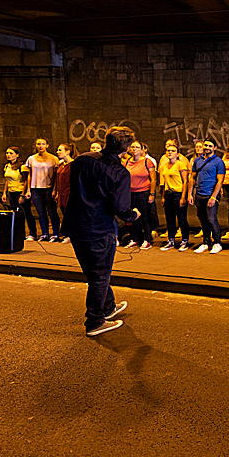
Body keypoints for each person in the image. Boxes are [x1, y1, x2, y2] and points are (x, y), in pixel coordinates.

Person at [65, 125, 141, 337]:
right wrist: (134, 215)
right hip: (98, 227)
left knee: (93, 271)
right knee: (99, 274)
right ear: (125, 150)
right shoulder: (119, 172)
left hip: (76, 222)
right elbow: (122, 207)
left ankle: (107, 307)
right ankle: (95, 321)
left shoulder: (83, 160)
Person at [188, 138, 226, 254]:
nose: (207, 148)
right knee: (203, 219)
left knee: (211, 219)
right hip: (199, 194)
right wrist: (190, 194)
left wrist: (214, 197)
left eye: (210, 146)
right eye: (206, 145)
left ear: (214, 148)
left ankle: (217, 243)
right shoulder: (197, 160)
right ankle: (205, 242)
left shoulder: (218, 162)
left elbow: (220, 181)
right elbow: (192, 178)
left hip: (211, 195)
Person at [25, 137, 61, 242]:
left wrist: (55, 189)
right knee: (41, 212)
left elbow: (56, 175)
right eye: (38, 144)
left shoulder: (53, 158)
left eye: (43, 144)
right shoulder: (31, 159)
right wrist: (28, 189)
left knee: (52, 211)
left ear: (47, 145)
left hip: (48, 188)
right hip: (36, 188)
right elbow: (29, 174)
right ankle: (44, 233)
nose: (40, 146)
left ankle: (55, 233)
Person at [158, 141, 191, 251]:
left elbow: (185, 181)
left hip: (178, 194)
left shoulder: (180, 164)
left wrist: (183, 197)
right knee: (169, 219)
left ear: (177, 154)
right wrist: (163, 196)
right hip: (168, 194)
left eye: (173, 151)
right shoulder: (164, 166)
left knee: (181, 219)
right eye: (168, 151)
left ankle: (184, 240)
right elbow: (165, 182)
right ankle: (171, 240)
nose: (170, 152)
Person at [123, 140, 156, 250]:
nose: (134, 149)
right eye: (132, 147)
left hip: (144, 193)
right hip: (131, 194)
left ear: (142, 150)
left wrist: (152, 194)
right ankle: (135, 238)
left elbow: (153, 179)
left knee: (145, 217)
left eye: (137, 147)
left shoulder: (147, 162)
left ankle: (147, 240)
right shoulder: (127, 162)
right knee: (134, 217)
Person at [1, 146, 37, 240]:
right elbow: (7, 180)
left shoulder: (22, 167)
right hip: (11, 192)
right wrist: (4, 193)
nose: (8, 155)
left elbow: (26, 180)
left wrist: (23, 194)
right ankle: (19, 232)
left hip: (20, 191)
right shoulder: (7, 166)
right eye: (7, 153)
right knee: (15, 213)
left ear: (17, 155)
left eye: (11, 153)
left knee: (26, 213)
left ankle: (32, 233)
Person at [54, 143, 77, 243]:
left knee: (70, 214)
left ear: (67, 152)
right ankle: (69, 234)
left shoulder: (73, 164)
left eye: (60, 150)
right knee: (64, 213)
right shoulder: (61, 164)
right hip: (62, 192)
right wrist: (56, 191)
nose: (58, 152)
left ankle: (72, 235)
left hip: (69, 193)